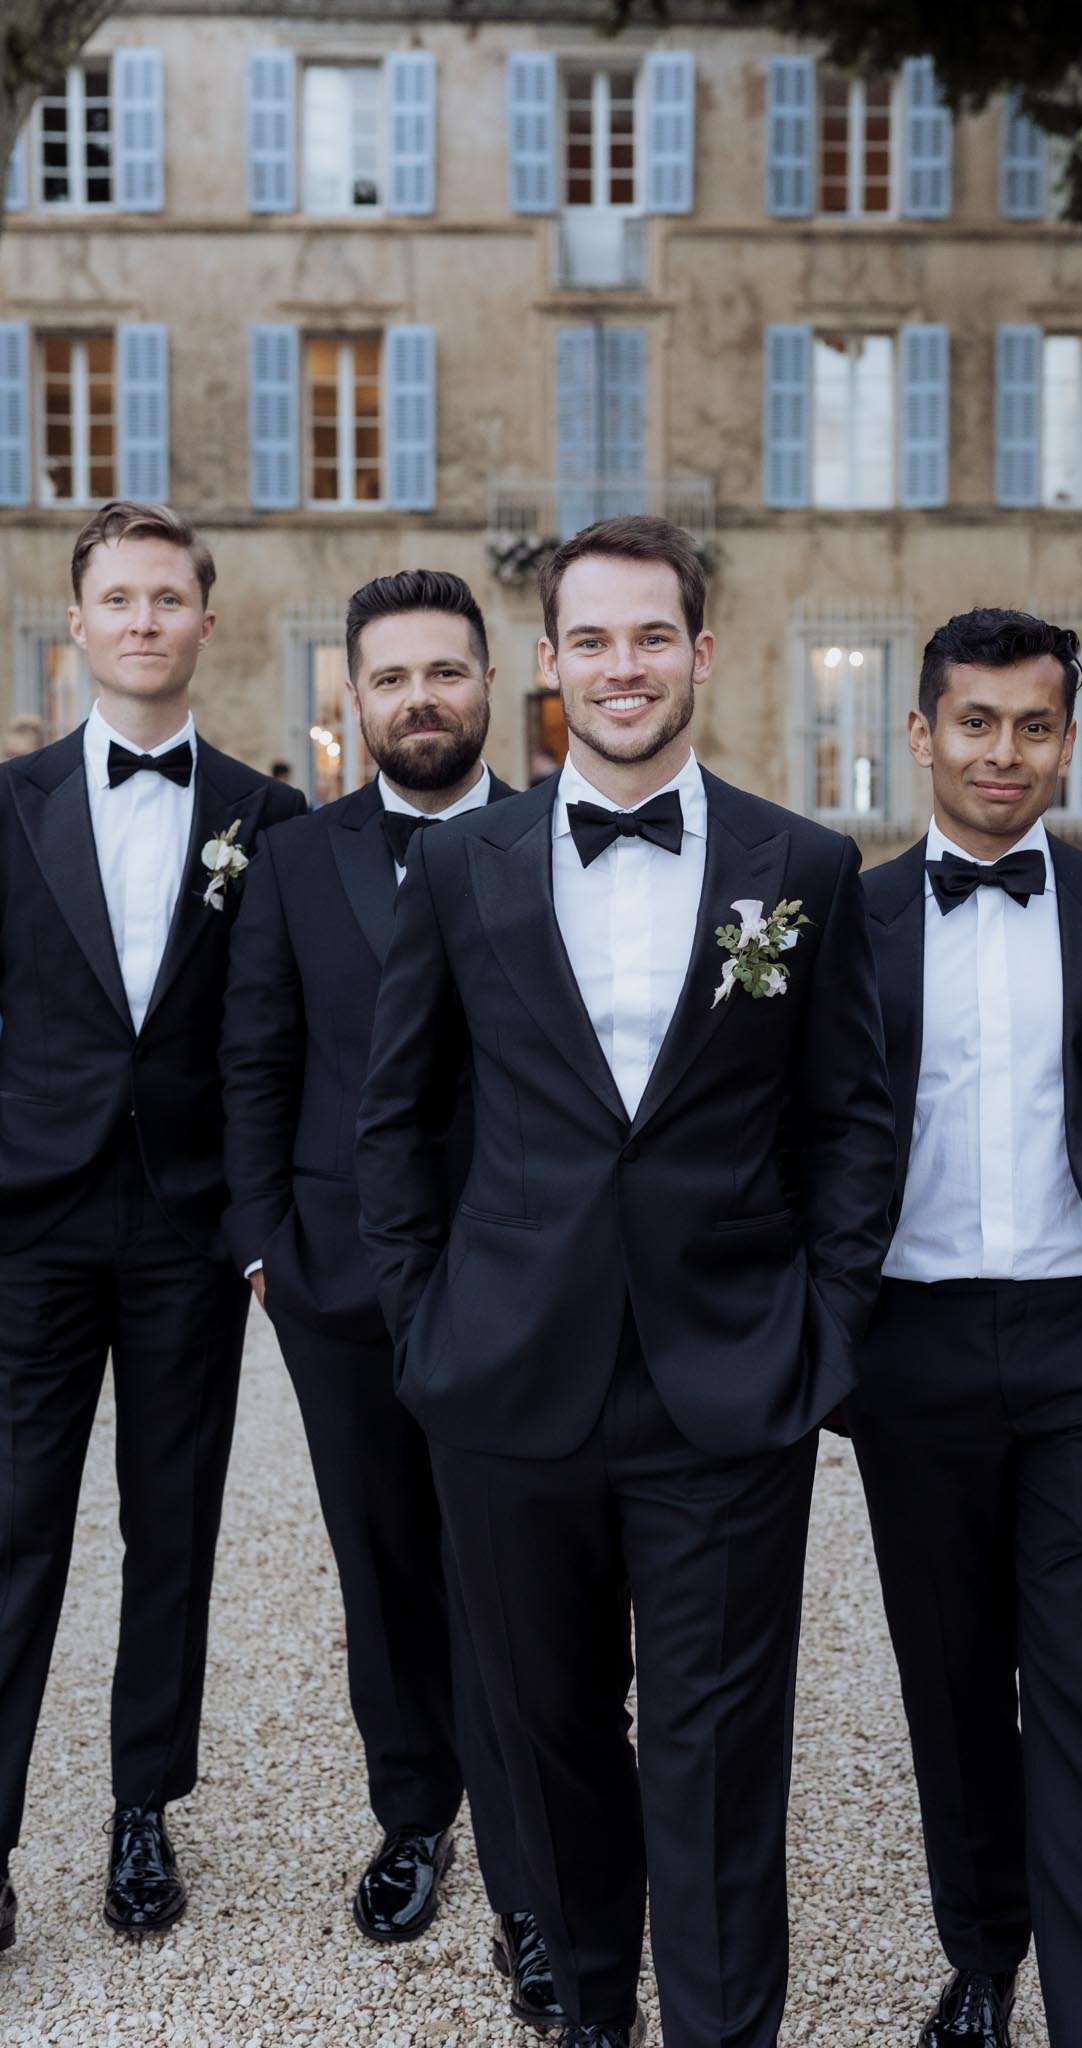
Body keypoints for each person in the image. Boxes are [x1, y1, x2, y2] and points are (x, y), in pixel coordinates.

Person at [355, 515, 897, 2048]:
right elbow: (394, 1117)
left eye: (651, 635)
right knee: (549, 1738)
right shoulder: (463, 866)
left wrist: (824, 1330)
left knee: (720, 1755)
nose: (622, 666)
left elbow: (850, 1122)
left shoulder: (799, 863)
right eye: (589, 639)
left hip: (729, 1381)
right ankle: (590, 2013)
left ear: (701, 652)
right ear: (545, 664)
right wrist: (425, 1325)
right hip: (507, 1382)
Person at [850, 608, 1082, 2048]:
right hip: (915, 1351)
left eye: (1032, 726)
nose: (1002, 753)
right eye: (974, 722)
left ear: (1069, 740)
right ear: (921, 731)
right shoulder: (854, 919)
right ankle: (979, 1957)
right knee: (948, 1686)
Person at [220, 570, 559, 2024]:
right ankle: (415, 1811)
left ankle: (545, 1880)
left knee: (523, 1575)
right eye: (389, 678)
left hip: (521, 1273)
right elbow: (255, 1057)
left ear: (490, 686)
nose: (418, 698)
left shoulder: (559, 838)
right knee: (382, 1564)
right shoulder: (297, 860)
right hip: (338, 1274)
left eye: (444, 671)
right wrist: (260, 1249)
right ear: (351, 700)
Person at [0, 500, 305, 1950]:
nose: (140, 620)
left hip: (191, 1227)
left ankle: (142, 1810)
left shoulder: (267, 815)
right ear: (79, 625)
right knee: (12, 1527)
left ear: (201, 619)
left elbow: (285, 1036)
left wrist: (265, 1225)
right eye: (115, 598)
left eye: (165, 598)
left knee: (170, 1529)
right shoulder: (6, 808)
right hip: (31, 1224)